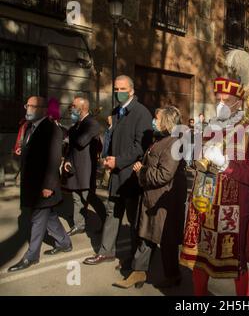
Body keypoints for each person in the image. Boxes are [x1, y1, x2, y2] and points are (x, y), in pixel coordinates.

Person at [180, 76, 249, 296]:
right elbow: (198, 162)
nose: (220, 105)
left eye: (226, 101)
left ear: (238, 102)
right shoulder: (210, 127)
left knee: (237, 263)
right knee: (201, 257)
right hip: (203, 203)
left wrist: (226, 164)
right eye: (218, 100)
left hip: (233, 210)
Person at [113, 106, 187, 289]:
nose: (153, 121)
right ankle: (138, 272)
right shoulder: (161, 140)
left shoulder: (173, 143)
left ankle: (172, 275)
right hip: (153, 198)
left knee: (164, 240)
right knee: (146, 236)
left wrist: (141, 171)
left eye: (157, 118)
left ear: (167, 122)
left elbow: (164, 175)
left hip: (163, 201)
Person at [83, 75, 153, 268]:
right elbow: (113, 140)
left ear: (131, 90)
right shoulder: (116, 111)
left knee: (133, 220)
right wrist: (107, 158)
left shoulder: (142, 113)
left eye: (122, 89)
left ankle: (135, 259)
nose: (118, 93)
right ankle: (106, 252)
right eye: (116, 89)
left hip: (130, 176)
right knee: (112, 213)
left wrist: (119, 161)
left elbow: (141, 146)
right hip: (115, 173)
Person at [8, 96, 72, 272]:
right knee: (49, 215)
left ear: (43, 109)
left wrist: (49, 186)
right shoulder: (30, 127)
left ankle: (31, 256)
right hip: (32, 184)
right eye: (26, 105)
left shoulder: (52, 129)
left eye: (31, 106)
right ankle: (65, 243)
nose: (27, 109)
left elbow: (53, 159)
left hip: (44, 185)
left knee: (37, 219)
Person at [62, 96, 106, 236]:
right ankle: (79, 225)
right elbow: (70, 147)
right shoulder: (76, 126)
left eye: (74, 106)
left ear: (83, 108)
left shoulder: (92, 123)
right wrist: (67, 160)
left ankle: (106, 222)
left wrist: (69, 134)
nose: (71, 109)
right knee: (76, 198)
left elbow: (81, 142)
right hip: (73, 166)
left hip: (86, 169)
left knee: (89, 197)